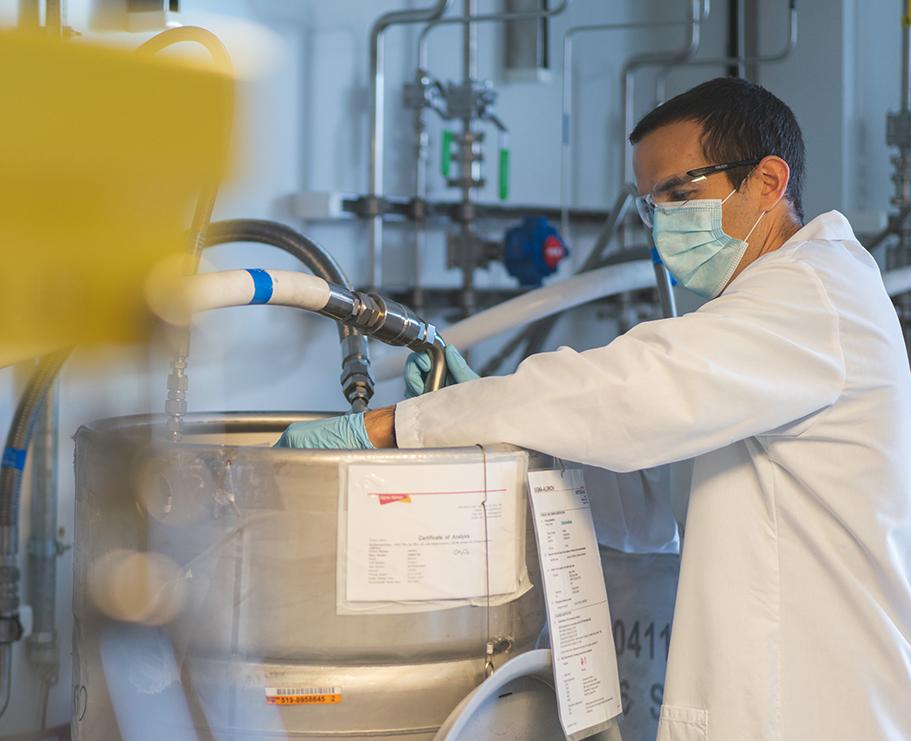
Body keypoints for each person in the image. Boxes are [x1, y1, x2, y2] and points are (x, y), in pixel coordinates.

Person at [276, 78, 911, 740]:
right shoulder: (762, 320)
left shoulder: (810, 295)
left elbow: (632, 390)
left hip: (818, 708)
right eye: (650, 204)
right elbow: (647, 507)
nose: (664, 221)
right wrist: (493, 422)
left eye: (680, 193)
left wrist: (395, 425)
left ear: (767, 181)